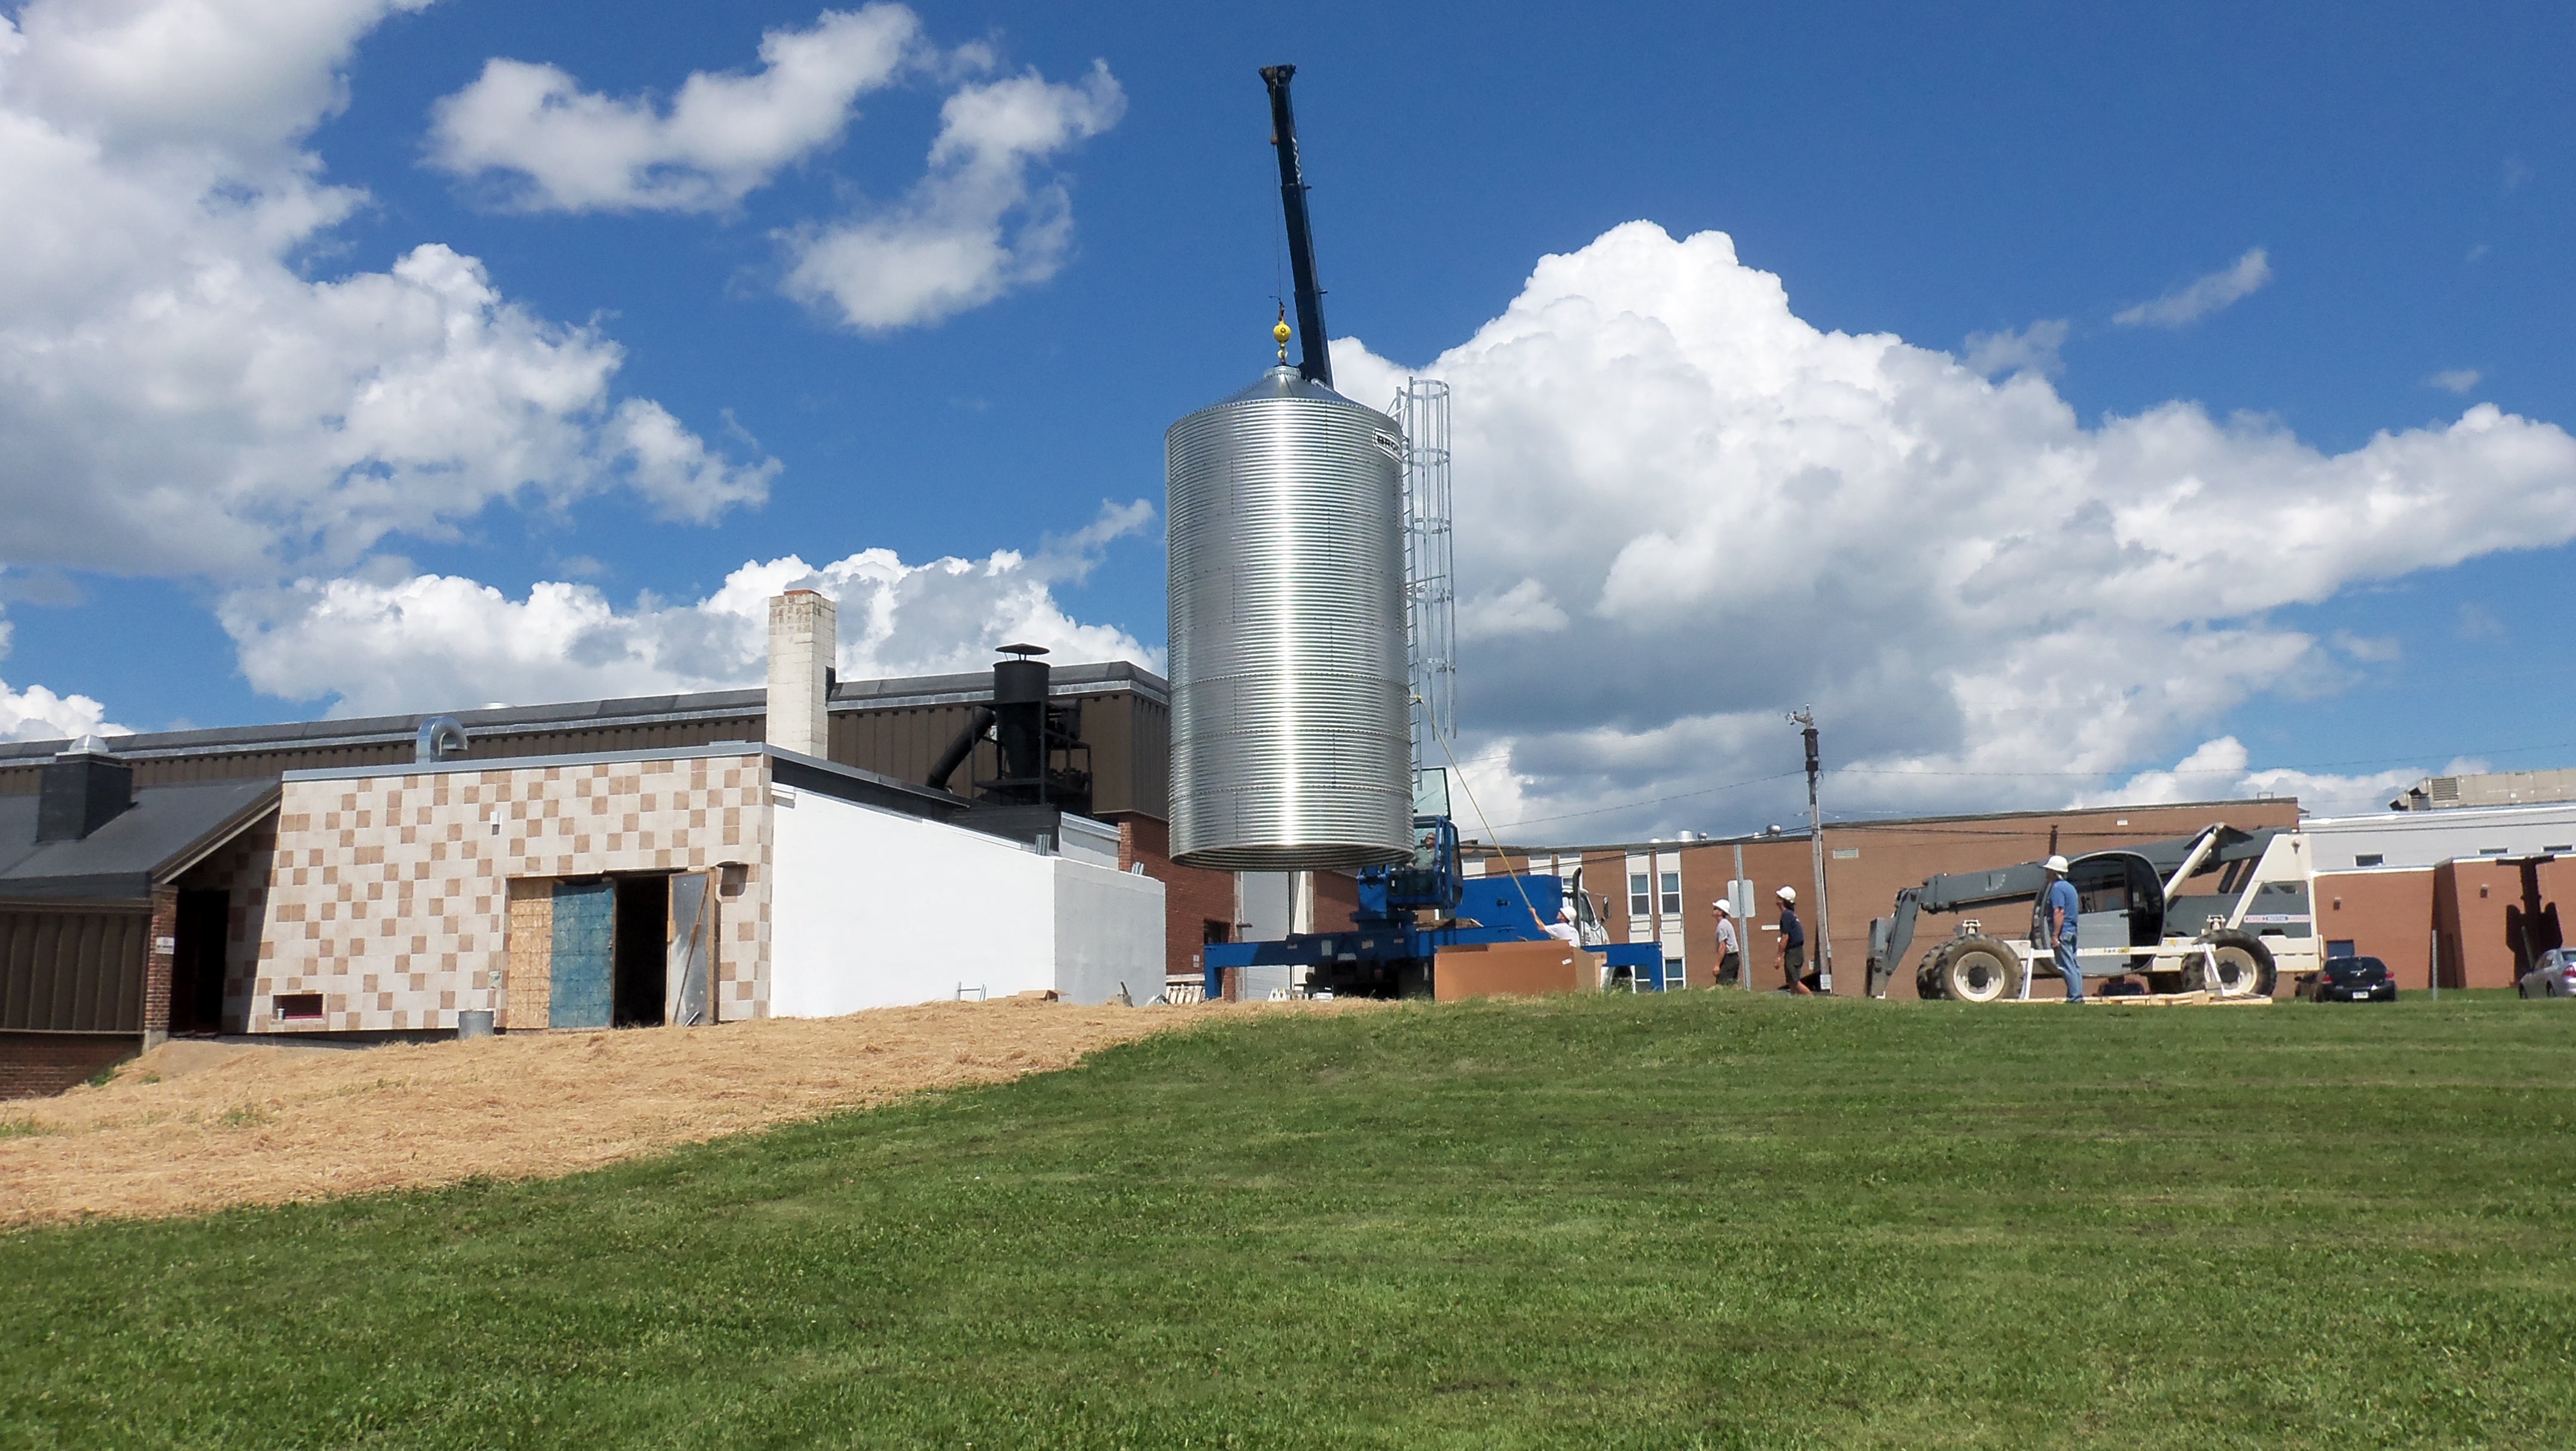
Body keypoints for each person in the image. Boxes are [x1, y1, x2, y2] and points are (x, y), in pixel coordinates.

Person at [2035, 853, 2083, 1004]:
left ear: (2054, 872)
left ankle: (2075, 998)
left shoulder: (2057, 888)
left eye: (2048, 870)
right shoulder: (2070, 888)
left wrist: (2055, 936)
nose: (2046, 873)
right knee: (2073, 965)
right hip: (2072, 930)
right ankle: (2076, 995)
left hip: (2063, 932)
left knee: (2066, 965)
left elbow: (2059, 912)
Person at [1776, 885, 1811, 995]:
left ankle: (1812, 999)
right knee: (1791, 981)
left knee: (1795, 982)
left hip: (1793, 953)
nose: (1777, 899)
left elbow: (1785, 937)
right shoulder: (1791, 915)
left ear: (1783, 901)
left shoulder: (1786, 915)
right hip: (1796, 952)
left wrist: (1779, 956)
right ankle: (1794, 999)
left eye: (1779, 897)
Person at [1712, 899, 1742, 987]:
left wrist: (1717, 965)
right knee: (1731, 986)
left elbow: (1723, 946)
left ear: (1721, 912)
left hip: (1729, 959)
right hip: (1733, 958)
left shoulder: (1722, 926)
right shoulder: (1726, 924)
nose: (1713, 910)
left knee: (1722, 986)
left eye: (1716, 909)